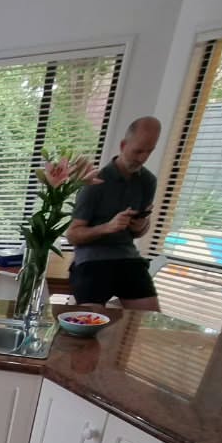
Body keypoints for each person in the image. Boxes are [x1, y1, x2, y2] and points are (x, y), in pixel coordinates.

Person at [66, 116, 162, 310]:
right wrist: (107, 228)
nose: (142, 158)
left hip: (128, 259)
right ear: (123, 145)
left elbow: (140, 231)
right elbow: (73, 235)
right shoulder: (95, 183)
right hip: (92, 261)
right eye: (138, 151)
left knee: (148, 322)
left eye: (149, 152)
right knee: (89, 322)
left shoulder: (148, 181)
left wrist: (141, 225)